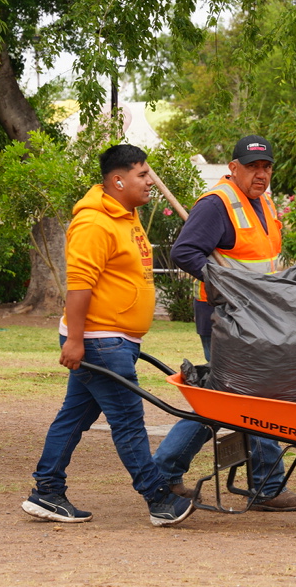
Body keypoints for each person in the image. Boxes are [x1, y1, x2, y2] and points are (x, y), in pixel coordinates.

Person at [22, 144, 194, 527]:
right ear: (118, 180)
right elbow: (80, 285)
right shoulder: (94, 223)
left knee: (74, 416)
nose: (150, 181)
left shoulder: (125, 217)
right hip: (100, 340)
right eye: (142, 174)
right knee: (128, 419)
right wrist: (76, 340)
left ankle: (47, 490)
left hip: (117, 340)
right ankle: (158, 497)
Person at [153, 135, 296, 512]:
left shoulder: (263, 202)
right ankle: (266, 486)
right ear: (234, 168)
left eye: (267, 167)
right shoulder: (217, 205)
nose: (261, 174)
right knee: (246, 397)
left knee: (230, 400)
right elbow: (184, 252)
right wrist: (227, 286)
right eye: (253, 167)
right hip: (225, 318)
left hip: (256, 316)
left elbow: (261, 260)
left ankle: (166, 472)